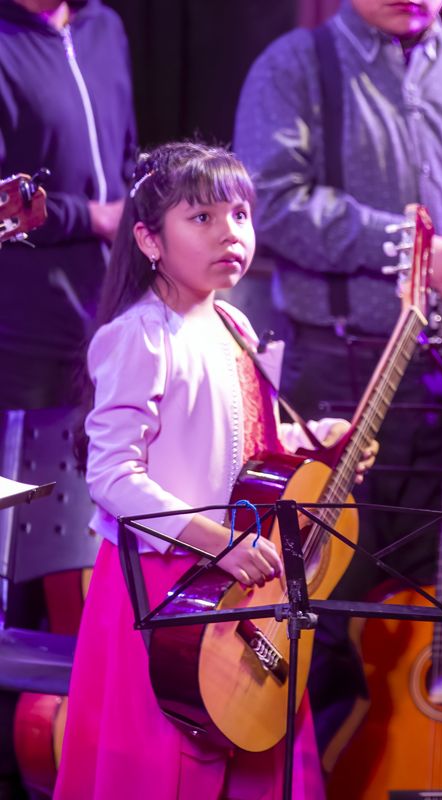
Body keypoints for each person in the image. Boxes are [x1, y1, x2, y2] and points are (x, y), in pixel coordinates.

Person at [233, 0, 442, 751]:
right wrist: (416, 251)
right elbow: (270, 202)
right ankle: (309, 771)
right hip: (339, 373)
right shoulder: (297, 64)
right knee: (321, 606)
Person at [54, 142, 375, 800]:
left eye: (240, 214)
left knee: (254, 752)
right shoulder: (140, 335)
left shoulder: (232, 321)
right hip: (167, 581)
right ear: (147, 238)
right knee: (166, 765)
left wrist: (311, 441)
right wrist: (218, 542)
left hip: (243, 576)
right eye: (201, 218)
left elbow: (245, 438)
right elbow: (112, 476)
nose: (230, 232)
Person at [0, 0, 137, 410]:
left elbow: (127, 152)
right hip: (25, 328)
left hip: (115, 313)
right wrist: (90, 217)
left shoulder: (104, 26)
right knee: (24, 473)